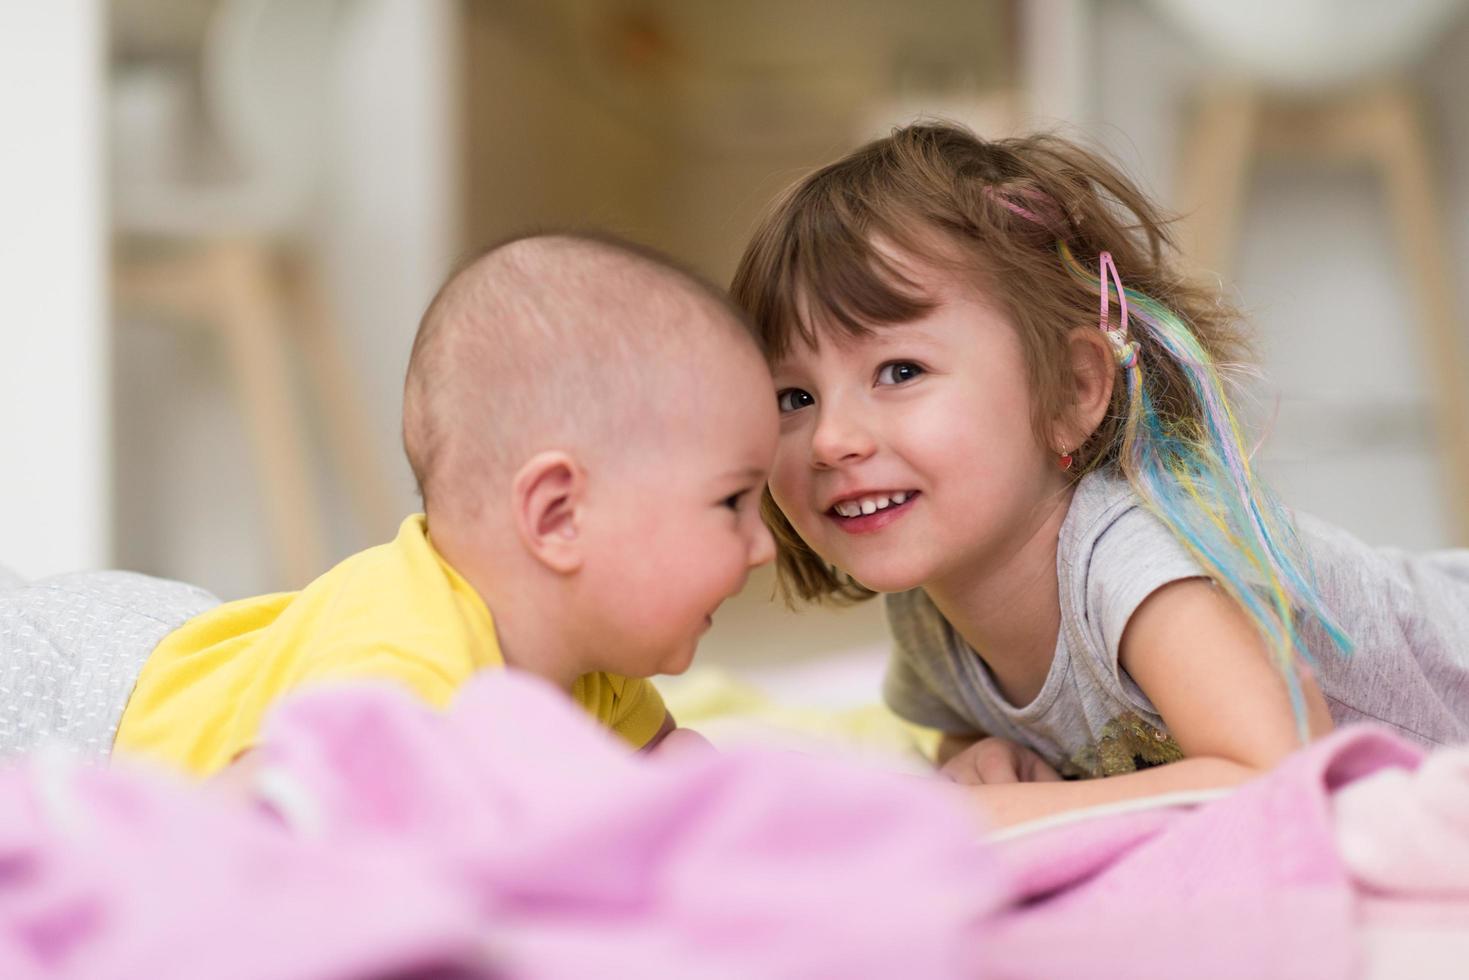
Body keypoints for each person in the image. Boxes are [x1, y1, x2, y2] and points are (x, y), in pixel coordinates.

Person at [729, 123, 1469, 827]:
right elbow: (970, 734)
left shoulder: (1136, 563)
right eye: (792, 397)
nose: (829, 439)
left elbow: (1275, 772)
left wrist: (1010, 814)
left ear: (1072, 392)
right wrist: (978, 760)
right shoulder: (930, 608)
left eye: (899, 371)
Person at [1, 232, 777, 776]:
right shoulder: (399, 680)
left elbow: (662, 767)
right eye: (732, 503)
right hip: (80, 700)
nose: (763, 545)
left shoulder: (588, 662)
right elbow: (256, 832)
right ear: (557, 516)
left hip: (201, 646)